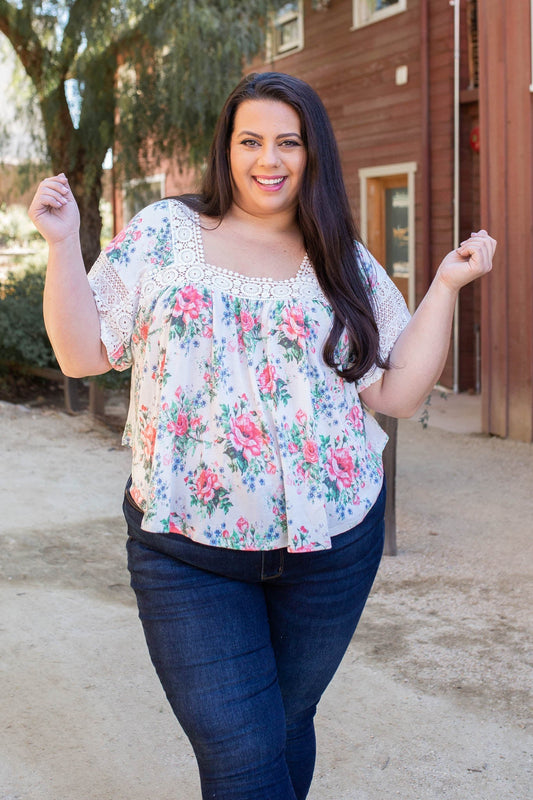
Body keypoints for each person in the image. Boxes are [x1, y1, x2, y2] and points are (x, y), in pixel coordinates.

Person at [29, 71, 496, 800]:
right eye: (250, 140)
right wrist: (63, 245)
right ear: (227, 148)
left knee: (283, 722)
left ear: (313, 155)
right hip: (187, 552)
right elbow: (82, 354)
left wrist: (444, 285)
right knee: (242, 751)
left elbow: (397, 392)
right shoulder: (165, 234)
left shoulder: (339, 256)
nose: (267, 159)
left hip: (333, 549)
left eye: (288, 142)